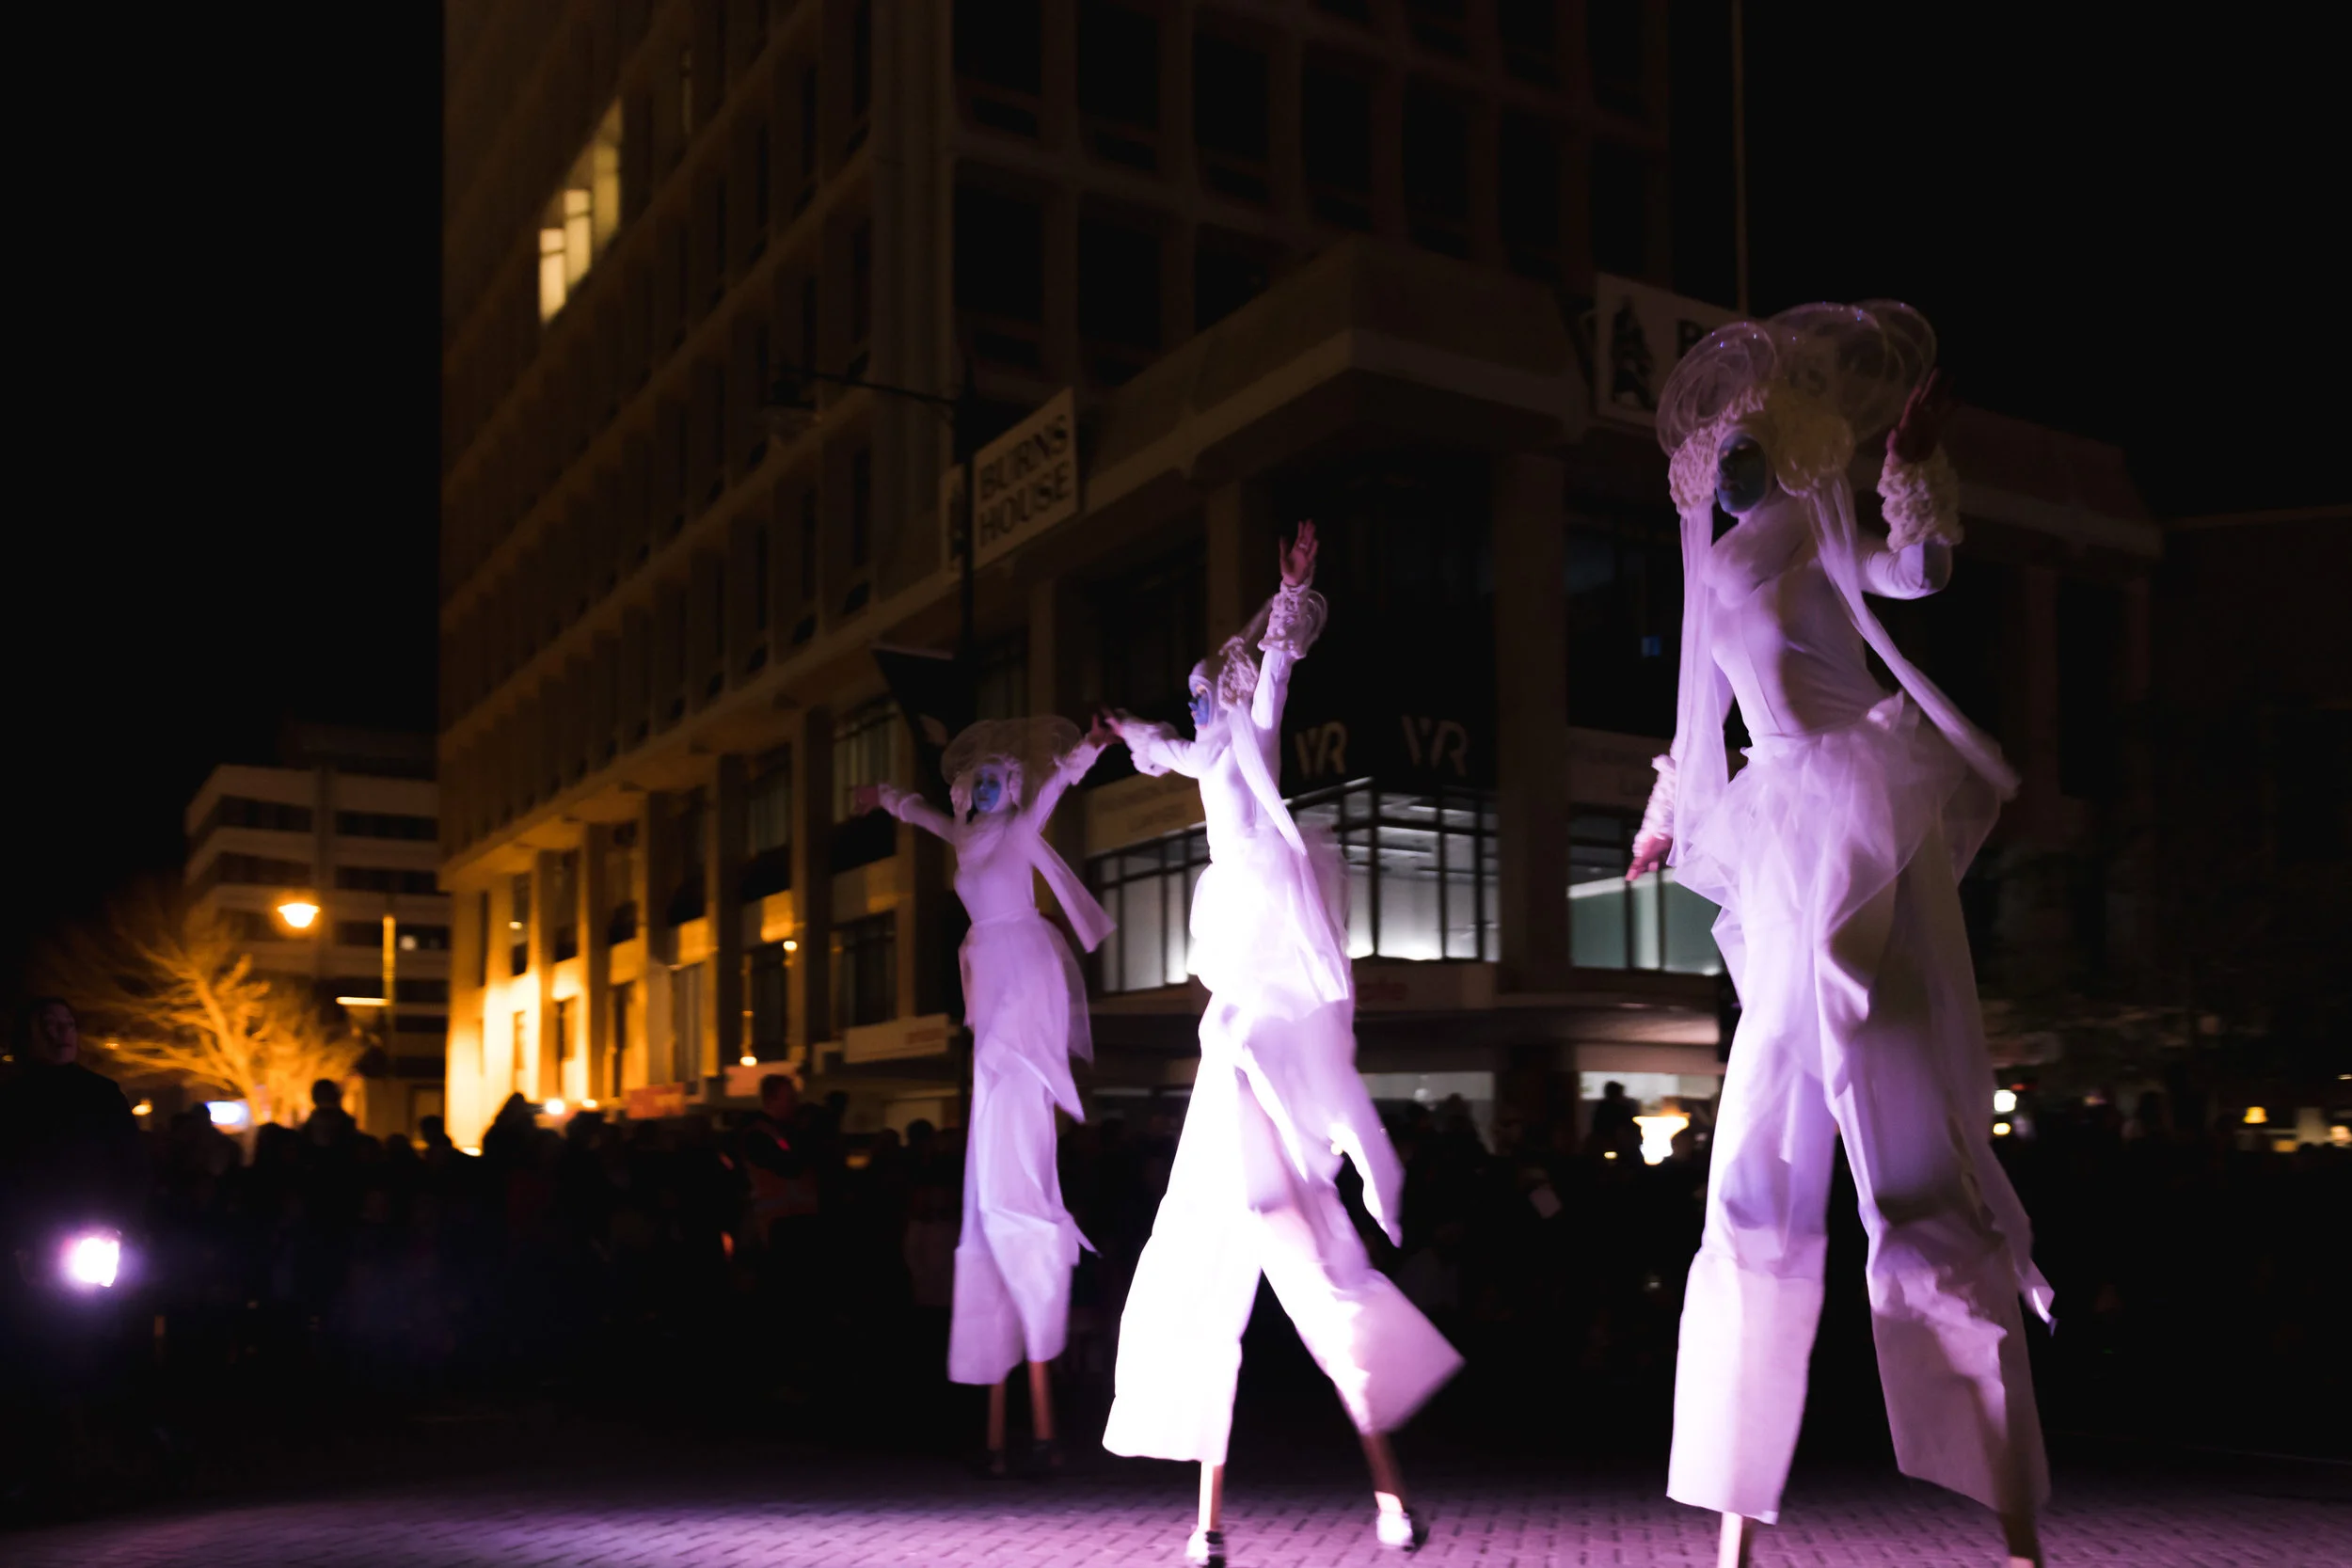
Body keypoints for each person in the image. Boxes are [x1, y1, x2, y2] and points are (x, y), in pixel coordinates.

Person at [1629, 303, 2051, 1568]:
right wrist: (1663, 817)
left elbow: (1912, 575)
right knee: (1750, 1183)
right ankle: (1733, 1521)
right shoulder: (1715, 560)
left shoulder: (1818, 532)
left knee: (1910, 1177)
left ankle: (2012, 1516)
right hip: (1776, 845)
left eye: (1750, 431)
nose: (1732, 451)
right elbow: (1699, 713)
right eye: (1721, 436)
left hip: (1854, 830)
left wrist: (1912, 474)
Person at [1100, 522, 1460, 1564]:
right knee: (1216, 1280)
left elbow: (1276, 678)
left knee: (1320, 1282)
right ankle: (1208, 1521)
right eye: (1198, 697)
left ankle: (1388, 1499)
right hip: (1240, 1040)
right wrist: (1123, 728)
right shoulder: (1204, 751)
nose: (1203, 706)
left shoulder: (1250, 733)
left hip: (1265, 945)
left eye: (1209, 691)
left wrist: (1290, 598)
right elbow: (1166, 746)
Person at [853, 712, 1113, 1475]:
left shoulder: (1019, 829)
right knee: (994, 1084)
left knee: (1015, 1062)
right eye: (984, 781)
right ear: (972, 788)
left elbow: (1057, 785)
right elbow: (921, 812)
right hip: (990, 969)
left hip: (1023, 964)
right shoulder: (965, 836)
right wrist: (884, 796)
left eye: (1003, 779)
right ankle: (1012, 1426)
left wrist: (1092, 746)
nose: (993, 789)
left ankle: (1030, 1181)